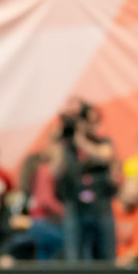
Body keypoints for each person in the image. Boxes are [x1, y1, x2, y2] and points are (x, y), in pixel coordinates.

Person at [52, 99, 116, 261]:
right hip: (74, 206)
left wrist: (80, 139)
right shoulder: (66, 146)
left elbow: (106, 156)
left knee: (105, 257)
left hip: (100, 206)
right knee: (74, 257)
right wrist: (60, 141)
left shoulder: (102, 142)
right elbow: (55, 170)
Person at [113, 176, 138, 266]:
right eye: (130, 193)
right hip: (106, 258)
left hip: (128, 264)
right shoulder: (109, 210)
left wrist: (125, 259)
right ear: (122, 192)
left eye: (136, 194)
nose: (134, 195)